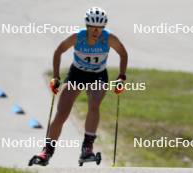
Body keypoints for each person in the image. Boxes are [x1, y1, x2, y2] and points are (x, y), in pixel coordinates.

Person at [29, 6, 128, 166]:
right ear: (87, 26)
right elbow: (58, 51)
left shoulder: (109, 38)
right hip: (77, 74)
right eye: (93, 28)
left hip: (98, 75)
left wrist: (121, 77)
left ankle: (87, 148)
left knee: (94, 106)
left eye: (100, 28)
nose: (96, 31)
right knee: (62, 113)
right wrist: (55, 77)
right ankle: (47, 151)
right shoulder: (77, 37)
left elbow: (123, 54)